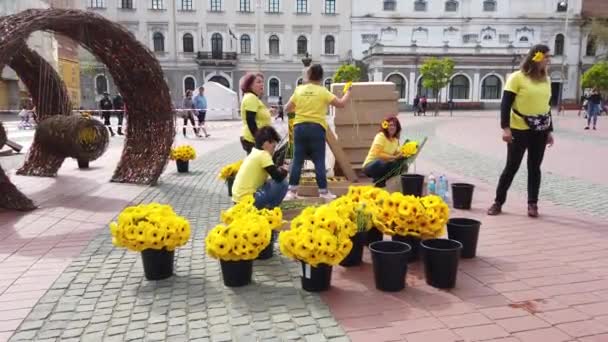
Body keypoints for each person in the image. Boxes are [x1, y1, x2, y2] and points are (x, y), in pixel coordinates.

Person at [487, 44, 555, 218]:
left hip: (540, 130)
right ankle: (498, 202)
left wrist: (549, 131)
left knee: (535, 167)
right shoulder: (517, 77)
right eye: (546, 56)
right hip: (519, 129)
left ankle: (532, 204)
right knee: (512, 167)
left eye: (549, 57)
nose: (549, 60)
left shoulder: (546, 79)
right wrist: (505, 128)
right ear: (536, 57)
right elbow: (505, 104)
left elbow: (546, 107)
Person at [284, 64, 352, 200]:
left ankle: (291, 192)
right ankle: (323, 192)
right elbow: (341, 104)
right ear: (321, 77)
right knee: (319, 160)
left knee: (297, 160)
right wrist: (348, 92)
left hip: (299, 128)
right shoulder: (323, 92)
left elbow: (287, 108)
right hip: (317, 128)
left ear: (308, 76)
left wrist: (300, 111)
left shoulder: (299, 90)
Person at [231, 126, 288, 209]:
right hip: (247, 201)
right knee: (283, 183)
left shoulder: (255, 152)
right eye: (273, 146)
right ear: (266, 144)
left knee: (270, 182)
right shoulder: (263, 155)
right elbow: (278, 177)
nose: (273, 150)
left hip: (238, 199)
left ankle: (266, 206)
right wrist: (285, 170)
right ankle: (270, 209)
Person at [239, 73, 275, 154]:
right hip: (253, 140)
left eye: (262, 82)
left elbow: (257, 114)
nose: (262, 84)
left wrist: (268, 112)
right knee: (258, 165)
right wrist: (260, 141)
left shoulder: (253, 98)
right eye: (258, 82)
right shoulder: (251, 97)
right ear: (250, 85)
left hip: (255, 139)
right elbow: (250, 120)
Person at [362, 116, 403, 188]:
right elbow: (377, 154)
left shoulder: (395, 140)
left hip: (385, 165)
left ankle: (381, 183)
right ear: (386, 126)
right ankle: (379, 183)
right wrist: (394, 157)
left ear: (397, 128)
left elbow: (397, 153)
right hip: (371, 165)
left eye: (394, 125)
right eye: (390, 125)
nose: (392, 127)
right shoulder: (381, 136)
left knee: (401, 165)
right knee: (381, 162)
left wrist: (405, 153)